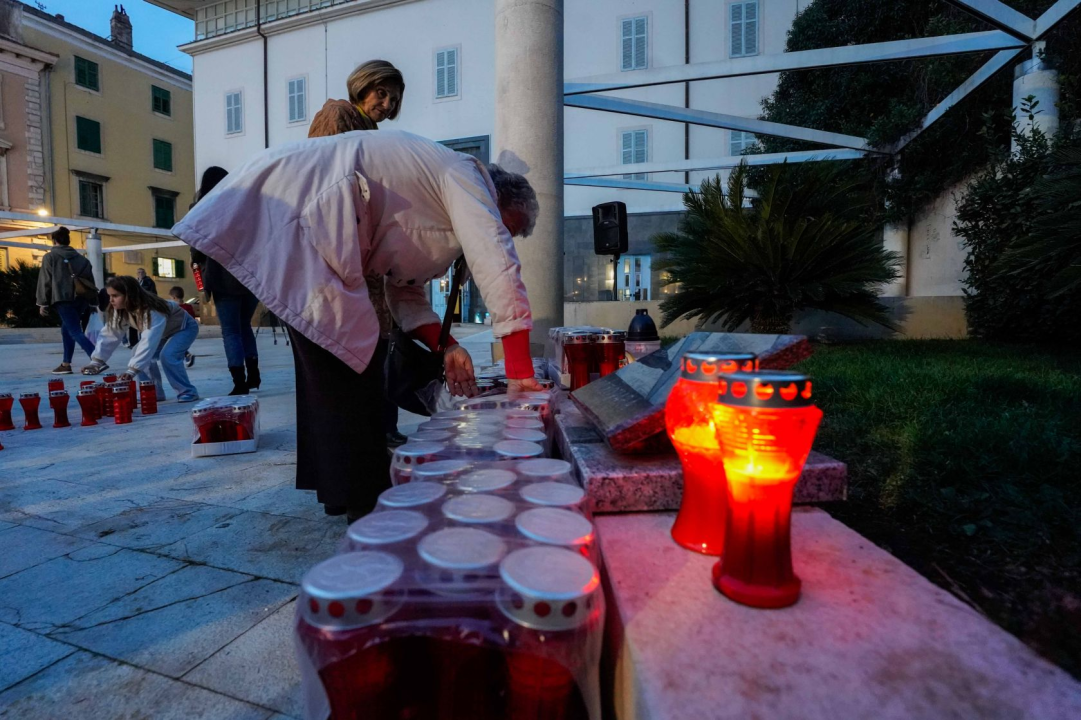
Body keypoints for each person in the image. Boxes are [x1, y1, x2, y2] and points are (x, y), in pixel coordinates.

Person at [174, 130, 543, 522]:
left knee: (325, 369)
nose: (506, 236)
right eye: (509, 227)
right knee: (354, 359)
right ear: (496, 200)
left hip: (318, 222)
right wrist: (520, 372)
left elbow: (404, 289)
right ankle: (365, 501)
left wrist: (448, 346)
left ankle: (338, 490)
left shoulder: (437, 202)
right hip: (304, 212)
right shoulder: (464, 175)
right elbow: (496, 257)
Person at [308, 59, 407, 446]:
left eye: (393, 98)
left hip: (366, 259)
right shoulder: (338, 115)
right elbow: (326, 185)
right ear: (363, 86)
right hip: (343, 256)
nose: (386, 103)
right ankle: (368, 436)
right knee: (359, 350)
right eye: (381, 92)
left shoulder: (371, 130)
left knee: (379, 348)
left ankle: (382, 428)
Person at [189, 166, 262, 395]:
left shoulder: (201, 208)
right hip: (249, 275)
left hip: (221, 277)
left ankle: (239, 381)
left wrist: (198, 262)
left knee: (231, 331)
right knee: (244, 326)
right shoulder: (243, 204)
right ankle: (254, 375)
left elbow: (196, 248)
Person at [82, 276, 200, 403]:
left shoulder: (152, 309)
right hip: (163, 333)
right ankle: (151, 392)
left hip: (184, 328)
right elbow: (110, 334)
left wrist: (132, 370)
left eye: (115, 296)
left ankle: (187, 392)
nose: (111, 300)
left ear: (129, 295)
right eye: (110, 296)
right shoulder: (121, 310)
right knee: (136, 353)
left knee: (168, 356)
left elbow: (149, 340)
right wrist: (96, 361)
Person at [35, 227, 98, 375]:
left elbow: (45, 280)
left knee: (75, 330)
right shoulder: (83, 259)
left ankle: (97, 359)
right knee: (67, 329)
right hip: (81, 298)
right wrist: (93, 301)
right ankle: (66, 363)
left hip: (63, 298)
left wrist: (42, 302)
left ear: (54, 240)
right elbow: (91, 281)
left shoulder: (50, 257)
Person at [169, 286, 198, 368]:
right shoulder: (188, 307)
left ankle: (186, 356)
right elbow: (192, 317)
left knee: (174, 346)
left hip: (177, 330)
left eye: (170, 298)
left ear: (174, 297)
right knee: (179, 346)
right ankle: (186, 356)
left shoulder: (175, 308)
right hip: (188, 330)